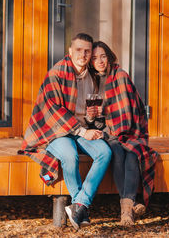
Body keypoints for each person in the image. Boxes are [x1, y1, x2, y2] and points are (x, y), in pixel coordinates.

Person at [20, 33, 112, 230]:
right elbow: (53, 110)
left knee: (105, 152)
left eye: (87, 51)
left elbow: (88, 114)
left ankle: (79, 205)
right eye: (79, 50)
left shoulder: (92, 76)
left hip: (81, 129)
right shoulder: (56, 73)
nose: (83, 54)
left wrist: (90, 117)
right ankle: (82, 208)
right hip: (55, 131)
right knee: (70, 156)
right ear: (70, 51)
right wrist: (81, 131)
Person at [87, 41, 159, 226]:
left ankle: (126, 210)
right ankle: (130, 205)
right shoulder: (92, 82)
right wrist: (91, 118)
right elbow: (93, 120)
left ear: (109, 56)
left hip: (131, 130)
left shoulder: (120, 75)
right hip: (107, 133)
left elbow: (129, 109)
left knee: (132, 153)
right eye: (95, 58)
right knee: (116, 152)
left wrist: (106, 115)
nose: (100, 61)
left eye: (103, 56)